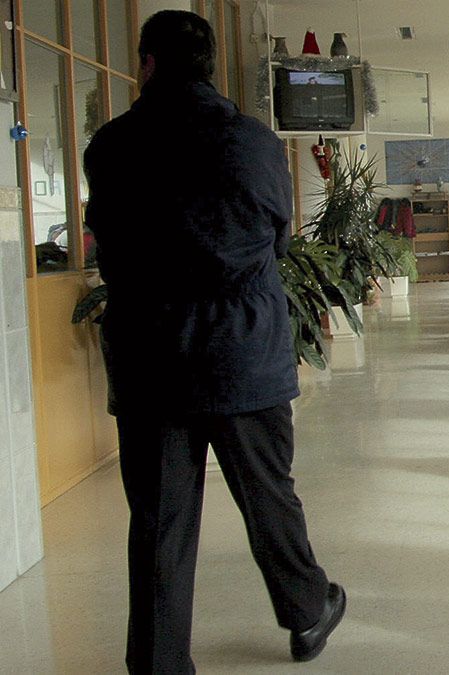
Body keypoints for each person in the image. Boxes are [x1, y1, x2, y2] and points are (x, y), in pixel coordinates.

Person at [83, 11, 344, 672]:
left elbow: (109, 246)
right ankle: (307, 611)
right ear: (209, 65)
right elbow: (276, 238)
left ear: (145, 63)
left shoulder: (110, 146)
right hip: (241, 352)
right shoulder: (251, 141)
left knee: (161, 521)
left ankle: (159, 661)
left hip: (150, 358)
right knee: (267, 496)